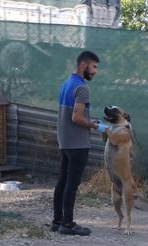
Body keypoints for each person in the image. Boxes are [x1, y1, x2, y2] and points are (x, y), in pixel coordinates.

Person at [51, 50, 109, 236]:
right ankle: (67, 224)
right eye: (94, 67)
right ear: (83, 65)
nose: (95, 71)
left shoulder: (66, 84)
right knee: (72, 184)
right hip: (78, 143)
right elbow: (76, 117)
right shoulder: (82, 88)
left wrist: (91, 121)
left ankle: (57, 220)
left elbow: (70, 115)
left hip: (65, 141)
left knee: (62, 181)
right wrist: (94, 126)